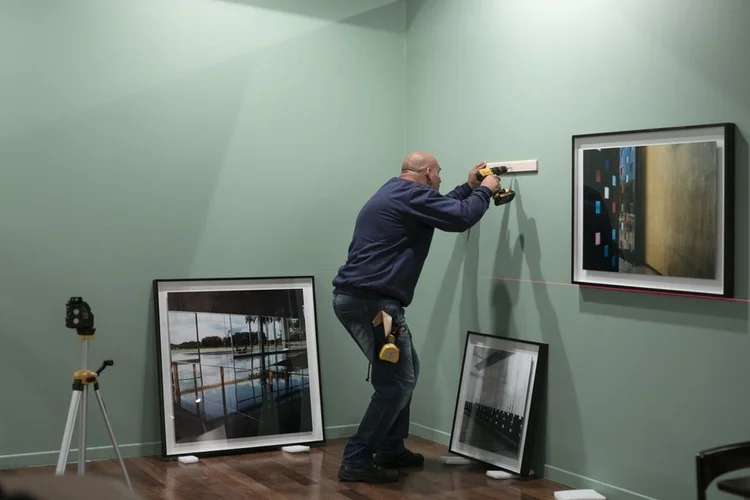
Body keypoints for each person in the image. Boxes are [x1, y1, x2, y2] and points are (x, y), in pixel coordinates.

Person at [331, 151, 502, 483]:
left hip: (361, 299)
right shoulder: (412, 195)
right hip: (373, 303)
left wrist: (468, 188)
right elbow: (460, 218)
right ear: (427, 172)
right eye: (438, 174)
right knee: (395, 384)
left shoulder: (396, 192)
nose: (439, 180)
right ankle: (357, 459)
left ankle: (391, 448)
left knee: (405, 375)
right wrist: (486, 190)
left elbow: (442, 207)